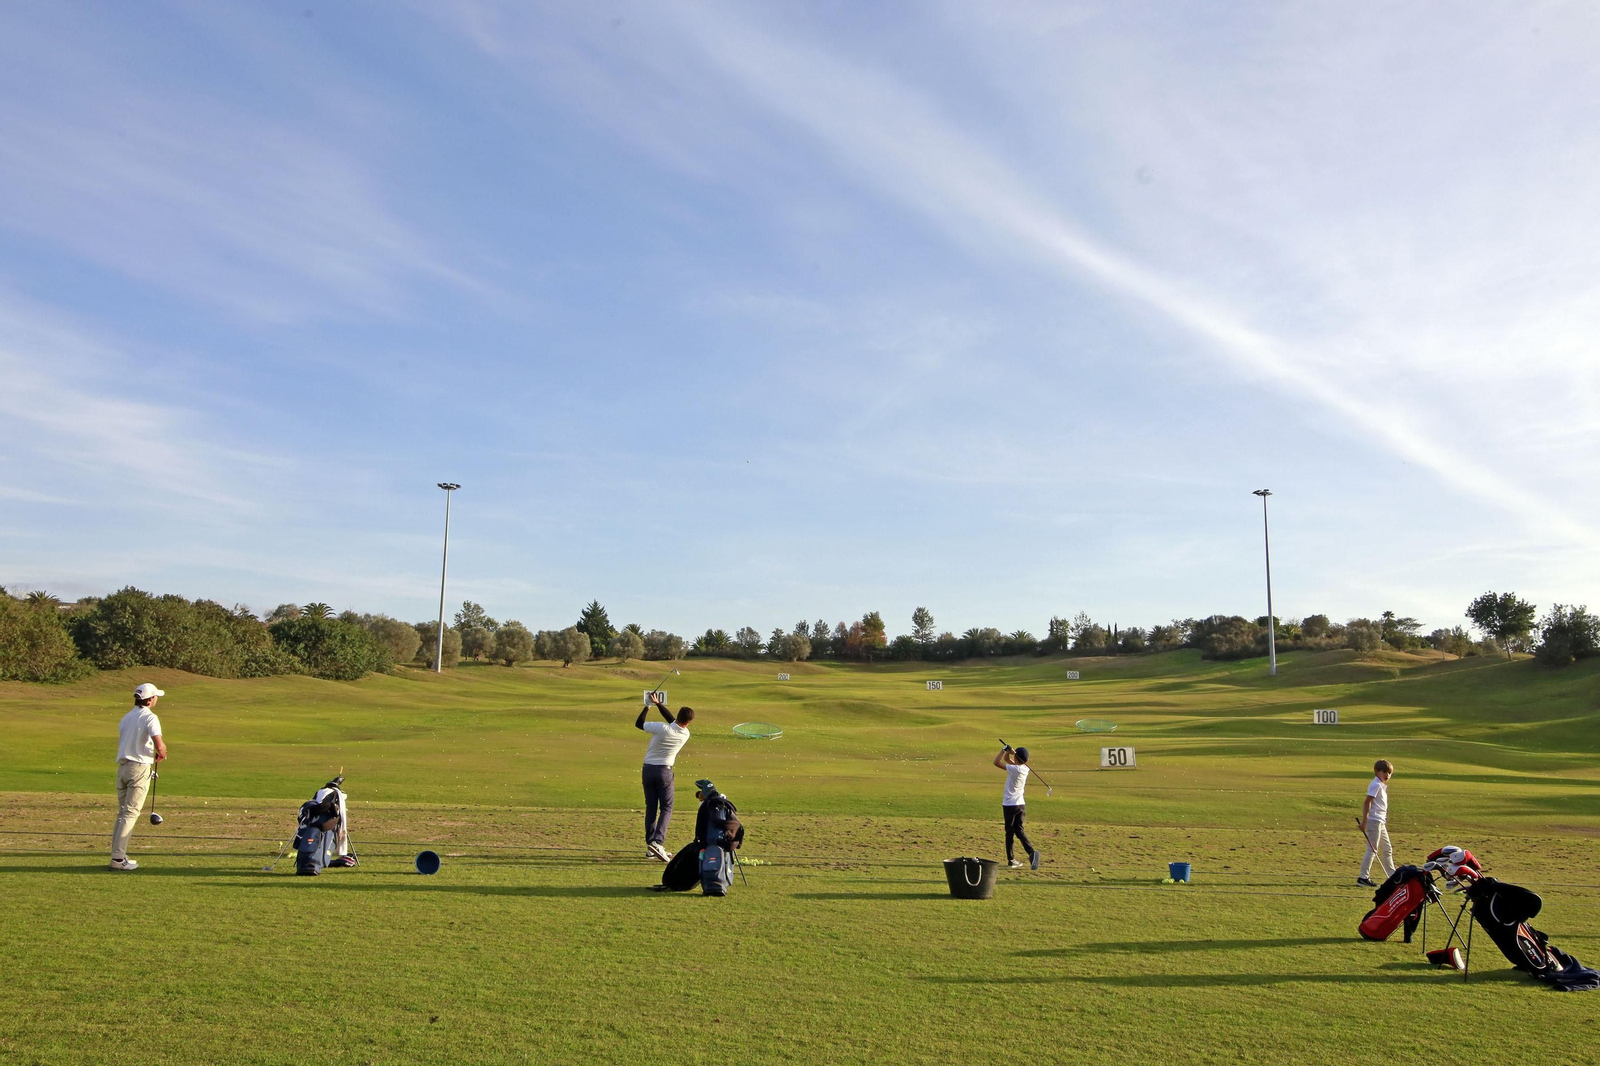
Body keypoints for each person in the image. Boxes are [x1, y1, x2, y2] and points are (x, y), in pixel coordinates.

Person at [111, 683, 167, 871]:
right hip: (139, 768)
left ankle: (118, 855)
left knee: (123, 813)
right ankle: (118, 859)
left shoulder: (126, 717)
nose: (156, 699)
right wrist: (162, 753)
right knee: (130, 813)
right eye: (155, 697)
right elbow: (159, 745)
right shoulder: (150, 717)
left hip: (123, 769)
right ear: (150, 700)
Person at [635, 692, 694, 862]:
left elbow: (639, 724)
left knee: (651, 807)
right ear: (688, 722)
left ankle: (651, 846)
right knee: (667, 807)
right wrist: (658, 704)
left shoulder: (661, 728)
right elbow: (674, 722)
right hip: (664, 772)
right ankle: (657, 842)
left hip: (648, 770)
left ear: (678, 716)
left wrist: (649, 705)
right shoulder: (685, 734)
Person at [993, 743, 1040, 870]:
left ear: (1016, 758)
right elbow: (1008, 760)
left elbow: (997, 762)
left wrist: (1003, 750)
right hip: (1020, 805)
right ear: (1027, 760)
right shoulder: (1025, 769)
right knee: (1019, 830)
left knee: (1009, 832)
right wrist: (1010, 753)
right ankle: (1031, 852)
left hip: (1010, 805)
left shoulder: (1015, 769)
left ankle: (1011, 859)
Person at [1356, 759, 1395, 887]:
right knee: (1372, 849)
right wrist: (1364, 821)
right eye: (1384, 772)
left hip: (1380, 821)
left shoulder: (1381, 785)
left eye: (1389, 773)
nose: (1387, 775)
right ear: (1376, 771)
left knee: (1387, 849)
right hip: (1374, 821)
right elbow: (1367, 802)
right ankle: (1363, 878)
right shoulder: (1376, 785)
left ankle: (1392, 876)